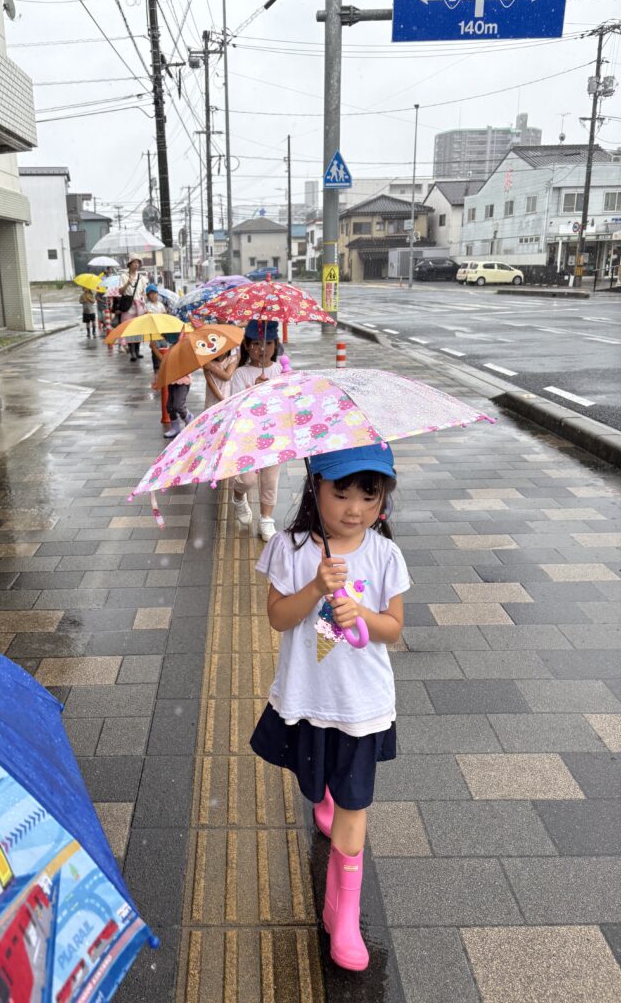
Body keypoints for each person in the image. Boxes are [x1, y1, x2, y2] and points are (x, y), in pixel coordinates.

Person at [250, 444, 409, 972]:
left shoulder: (384, 554)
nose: (355, 508)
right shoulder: (291, 548)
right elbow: (277, 618)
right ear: (314, 485)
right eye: (341, 492)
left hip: (361, 704)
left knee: (354, 804)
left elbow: (391, 628)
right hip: (308, 698)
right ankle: (324, 798)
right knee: (316, 780)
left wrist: (359, 610)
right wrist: (316, 586)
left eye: (370, 493)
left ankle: (342, 917)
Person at [229, 319, 284, 541]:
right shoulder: (241, 374)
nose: (262, 349)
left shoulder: (280, 369)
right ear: (246, 346)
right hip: (248, 436)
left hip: (274, 435)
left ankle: (266, 520)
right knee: (247, 479)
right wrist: (255, 390)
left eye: (268, 343)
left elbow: (284, 402)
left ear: (276, 345)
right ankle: (238, 496)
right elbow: (235, 406)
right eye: (255, 344)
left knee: (270, 479)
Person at [118, 258, 148, 361]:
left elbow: (144, 292)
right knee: (129, 329)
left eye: (138, 263)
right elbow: (121, 292)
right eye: (134, 262)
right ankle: (132, 351)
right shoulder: (123, 276)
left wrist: (144, 298)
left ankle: (137, 350)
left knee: (138, 329)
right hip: (128, 305)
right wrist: (127, 283)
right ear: (129, 264)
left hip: (139, 305)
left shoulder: (142, 278)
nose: (136, 265)